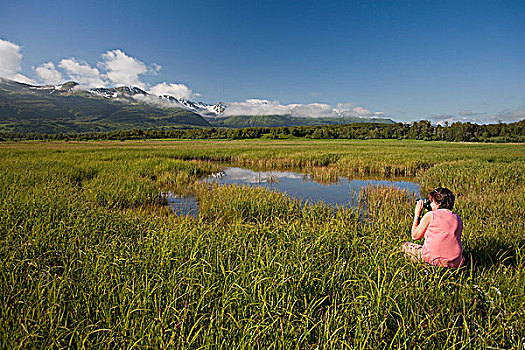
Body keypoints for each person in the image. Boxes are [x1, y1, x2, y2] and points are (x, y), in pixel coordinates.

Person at [402, 187, 465, 268]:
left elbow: (415, 236)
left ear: (438, 203)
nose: (430, 204)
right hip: (455, 263)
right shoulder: (457, 218)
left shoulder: (431, 215)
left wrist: (417, 215)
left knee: (405, 246)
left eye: (432, 201)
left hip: (432, 260)